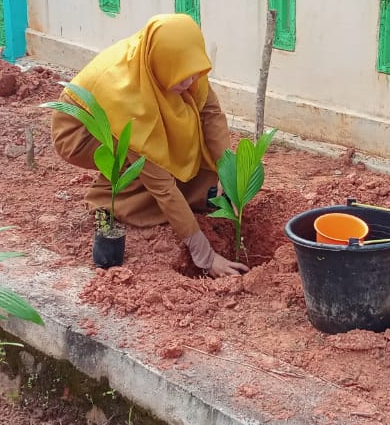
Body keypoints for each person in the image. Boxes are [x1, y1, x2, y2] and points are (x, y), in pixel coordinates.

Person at [49, 14, 250, 277]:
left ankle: (163, 186)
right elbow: (162, 185)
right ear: (161, 66)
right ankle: (108, 201)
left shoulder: (179, 62)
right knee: (152, 164)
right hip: (81, 134)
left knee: (189, 143)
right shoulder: (128, 98)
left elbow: (209, 112)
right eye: (182, 79)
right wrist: (205, 255)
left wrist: (228, 170)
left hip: (129, 111)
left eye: (193, 75)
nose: (190, 83)